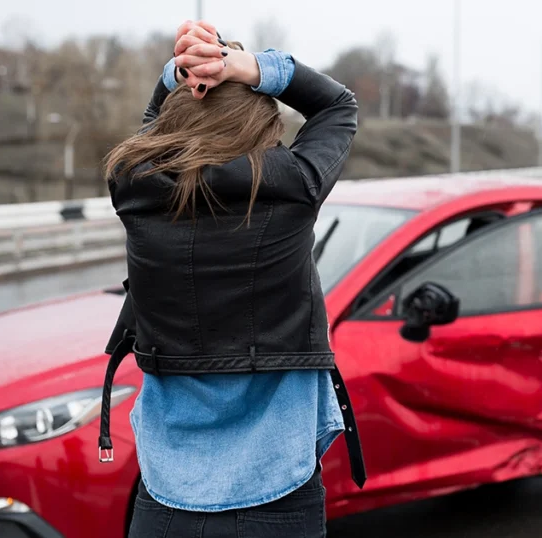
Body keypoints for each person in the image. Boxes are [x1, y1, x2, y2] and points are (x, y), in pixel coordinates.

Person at [96, 20, 366, 538]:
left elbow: (153, 127)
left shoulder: (134, 188)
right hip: (280, 494)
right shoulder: (294, 186)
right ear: (264, 131)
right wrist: (249, 66)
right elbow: (337, 105)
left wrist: (184, 69)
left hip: (166, 500)